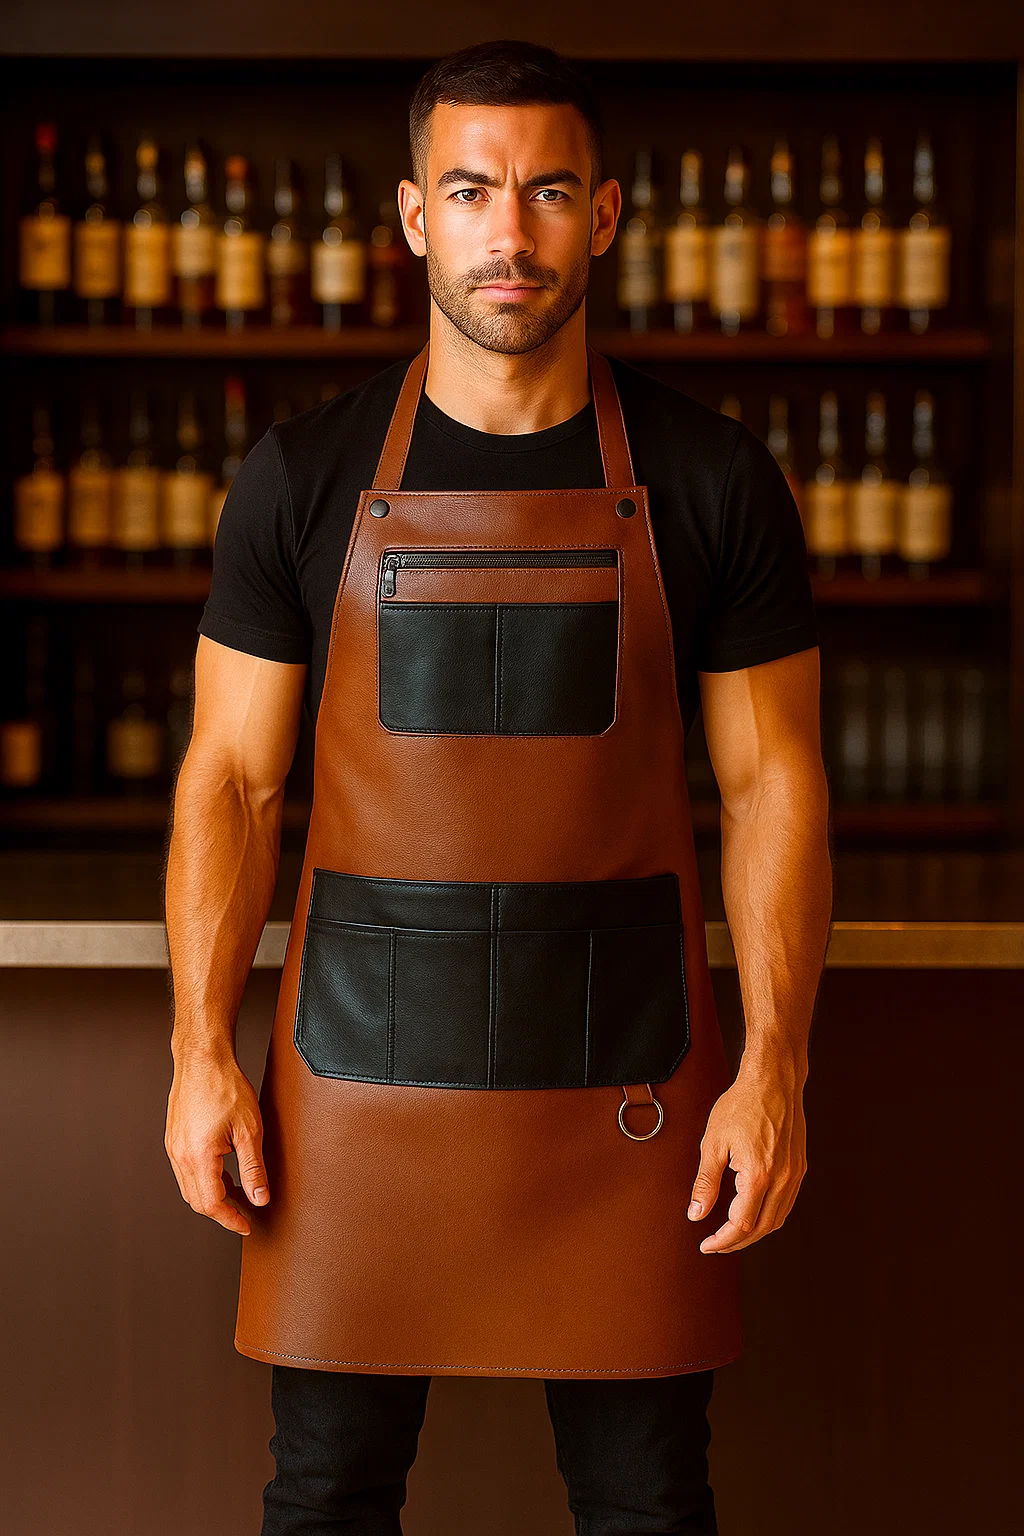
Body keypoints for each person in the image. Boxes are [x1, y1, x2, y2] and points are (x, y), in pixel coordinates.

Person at [164, 38, 832, 1536]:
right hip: (351, 1092)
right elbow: (228, 782)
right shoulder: (303, 477)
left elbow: (775, 784)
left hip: (634, 1092)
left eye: (544, 191)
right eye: (470, 190)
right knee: (325, 1498)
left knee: (651, 1507)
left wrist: (775, 1066)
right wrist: (204, 1048)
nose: (506, 231)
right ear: (413, 218)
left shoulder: (715, 480)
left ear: (602, 216)